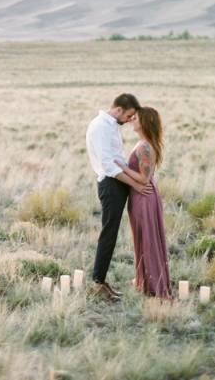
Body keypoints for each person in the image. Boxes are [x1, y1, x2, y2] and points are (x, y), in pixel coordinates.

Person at [85, 93, 152, 302]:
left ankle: (101, 281)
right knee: (109, 233)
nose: (130, 120)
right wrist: (136, 185)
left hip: (118, 184)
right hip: (111, 185)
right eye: (129, 115)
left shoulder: (110, 125)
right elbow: (108, 165)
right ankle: (97, 283)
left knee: (112, 234)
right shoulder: (101, 127)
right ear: (119, 110)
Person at [114, 106, 171, 299]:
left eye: (135, 118)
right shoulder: (143, 143)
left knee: (148, 238)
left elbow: (144, 179)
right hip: (140, 195)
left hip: (144, 195)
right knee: (142, 236)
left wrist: (122, 167)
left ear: (145, 122)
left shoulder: (145, 146)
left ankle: (154, 283)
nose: (131, 120)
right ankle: (145, 280)